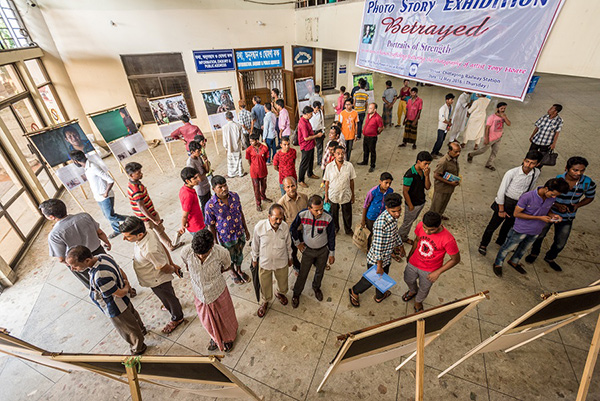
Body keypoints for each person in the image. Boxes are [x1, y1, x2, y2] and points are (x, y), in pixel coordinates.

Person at [67, 246, 147, 354]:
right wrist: (125, 282)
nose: (73, 269)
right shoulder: (102, 256)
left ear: (87, 260)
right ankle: (142, 330)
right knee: (133, 316)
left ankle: (138, 347)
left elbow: (119, 293)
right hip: (124, 300)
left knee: (128, 329)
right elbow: (119, 270)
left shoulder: (100, 276)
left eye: (74, 266)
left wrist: (126, 288)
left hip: (115, 306)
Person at [526, 157, 596, 271]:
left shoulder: (588, 183)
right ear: (567, 168)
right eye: (575, 170)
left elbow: (590, 197)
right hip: (550, 213)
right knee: (539, 235)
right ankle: (534, 253)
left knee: (560, 242)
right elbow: (546, 196)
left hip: (568, 217)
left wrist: (577, 205)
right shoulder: (557, 180)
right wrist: (557, 206)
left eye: (582, 170)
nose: (578, 173)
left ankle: (550, 258)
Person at [120, 217, 185, 334]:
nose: (124, 239)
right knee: (167, 294)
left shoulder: (149, 250)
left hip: (157, 280)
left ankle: (177, 317)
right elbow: (162, 247)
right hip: (153, 276)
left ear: (139, 235)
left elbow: (163, 267)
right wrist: (172, 263)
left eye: (128, 236)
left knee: (168, 297)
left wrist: (171, 267)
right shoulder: (148, 232)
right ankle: (170, 305)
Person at [493, 178, 570, 277]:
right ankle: (498, 264)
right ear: (546, 188)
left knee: (524, 249)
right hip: (521, 229)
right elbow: (516, 214)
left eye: (556, 195)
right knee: (508, 247)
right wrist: (539, 218)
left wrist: (553, 215)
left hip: (536, 230)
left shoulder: (551, 198)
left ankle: (514, 261)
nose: (554, 197)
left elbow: (547, 208)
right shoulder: (527, 197)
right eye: (553, 194)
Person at [181, 229, 238, 352]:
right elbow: (186, 264)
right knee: (207, 321)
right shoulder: (186, 252)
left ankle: (228, 338)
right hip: (199, 294)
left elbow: (227, 266)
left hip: (217, 291)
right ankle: (214, 337)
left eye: (205, 254)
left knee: (225, 317)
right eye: (198, 254)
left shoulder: (221, 253)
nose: (201, 257)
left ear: (212, 246)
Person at [478, 151, 543, 256]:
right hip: (505, 201)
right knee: (492, 226)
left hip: (519, 204)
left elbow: (531, 188)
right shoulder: (512, 173)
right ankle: (483, 244)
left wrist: (525, 204)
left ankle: (501, 241)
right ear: (523, 160)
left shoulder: (536, 173)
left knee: (508, 225)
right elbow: (501, 191)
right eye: (527, 161)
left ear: (537, 164)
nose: (528, 165)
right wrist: (501, 209)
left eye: (532, 163)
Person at [41, 198, 112, 288]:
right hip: (99, 252)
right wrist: (107, 242)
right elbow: (100, 233)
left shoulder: (54, 235)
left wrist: (73, 265)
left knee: (95, 284)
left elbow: (61, 259)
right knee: (110, 271)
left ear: (51, 217)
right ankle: (124, 288)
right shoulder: (84, 216)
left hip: (79, 262)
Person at [349, 193, 405, 307]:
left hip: (387, 257)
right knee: (370, 280)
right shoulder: (381, 224)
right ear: (387, 208)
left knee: (383, 277)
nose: (398, 214)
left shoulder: (393, 218)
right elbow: (378, 248)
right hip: (376, 260)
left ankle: (379, 296)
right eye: (394, 211)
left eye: (399, 210)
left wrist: (400, 245)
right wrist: (379, 265)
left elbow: (395, 233)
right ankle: (354, 291)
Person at [402, 211, 460, 312]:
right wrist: (410, 254)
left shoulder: (448, 240)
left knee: (424, 288)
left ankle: (418, 302)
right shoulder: (420, 225)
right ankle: (412, 291)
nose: (427, 232)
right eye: (425, 228)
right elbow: (416, 240)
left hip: (430, 270)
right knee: (408, 279)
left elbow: (455, 260)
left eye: (432, 230)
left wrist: (438, 272)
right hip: (414, 261)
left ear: (439, 225)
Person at [290, 195, 336, 308]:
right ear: (309, 208)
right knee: (303, 273)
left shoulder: (328, 218)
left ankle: (316, 287)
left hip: (322, 251)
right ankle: (296, 294)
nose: (320, 212)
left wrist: (331, 253)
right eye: (316, 210)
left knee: (320, 271)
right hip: (307, 250)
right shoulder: (302, 214)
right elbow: (293, 228)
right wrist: (297, 243)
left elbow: (331, 236)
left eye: (321, 208)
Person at [204, 175, 251, 285]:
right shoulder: (210, 206)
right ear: (213, 189)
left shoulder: (234, 196)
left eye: (225, 185)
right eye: (220, 187)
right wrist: (215, 243)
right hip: (226, 238)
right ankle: (233, 272)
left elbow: (240, 213)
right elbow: (211, 226)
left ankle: (239, 270)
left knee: (239, 253)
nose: (224, 189)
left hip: (239, 232)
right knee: (228, 257)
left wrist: (246, 229)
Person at [69, 150, 127, 238]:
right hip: (98, 197)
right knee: (107, 215)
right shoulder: (87, 167)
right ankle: (117, 229)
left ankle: (130, 219)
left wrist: (106, 193)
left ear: (76, 161)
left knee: (110, 216)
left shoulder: (93, 167)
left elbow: (110, 180)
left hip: (105, 197)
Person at [126, 162, 182, 251]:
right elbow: (141, 207)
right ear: (131, 175)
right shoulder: (136, 189)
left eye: (140, 171)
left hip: (151, 214)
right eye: (138, 173)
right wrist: (154, 220)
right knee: (150, 237)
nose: (141, 174)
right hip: (146, 219)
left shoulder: (135, 184)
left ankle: (170, 246)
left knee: (160, 231)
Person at [251, 204, 292, 318]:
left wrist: (290, 257)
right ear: (269, 216)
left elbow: (288, 244)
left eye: (281, 218)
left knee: (283, 281)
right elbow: (255, 244)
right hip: (265, 263)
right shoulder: (260, 227)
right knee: (265, 284)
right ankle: (265, 301)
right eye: (276, 218)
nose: (278, 221)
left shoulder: (284, 227)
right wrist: (254, 259)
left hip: (281, 261)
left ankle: (280, 293)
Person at [467, 102, 511, 171]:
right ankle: (471, 154)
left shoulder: (503, 117)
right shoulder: (492, 117)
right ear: (497, 109)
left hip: (498, 138)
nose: (503, 110)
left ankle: (489, 164)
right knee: (482, 150)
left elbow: (509, 124)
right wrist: (486, 138)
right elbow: (487, 128)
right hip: (490, 138)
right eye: (501, 108)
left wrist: (505, 117)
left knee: (494, 152)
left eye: (504, 108)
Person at [400, 151, 432, 243]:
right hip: (412, 203)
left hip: (420, 201)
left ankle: (403, 236)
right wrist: (410, 205)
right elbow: (405, 192)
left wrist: (427, 176)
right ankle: (400, 237)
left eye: (428, 164)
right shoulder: (409, 174)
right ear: (418, 161)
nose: (427, 166)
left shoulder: (423, 172)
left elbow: (427, 187)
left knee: (411, 221)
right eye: (425, 163)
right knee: (407, 223)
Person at [278, 176, 308, 275]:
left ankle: (314, 262)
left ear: (296, 185)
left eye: (293, 186)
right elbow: (281, 224)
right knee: (293, 252)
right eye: (288, 187)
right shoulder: (281, 204)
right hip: (291, 233)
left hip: (305, 230)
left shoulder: (304, 197)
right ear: (284, 188)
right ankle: (297, 267)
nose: (291, 189)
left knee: (309, 248)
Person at [324, 146, 357, 235]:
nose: (340, 156)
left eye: (342, 153)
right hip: (333, 195)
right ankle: (335, 228)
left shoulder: (349, 166)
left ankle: (348, 229)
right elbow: (326, 183)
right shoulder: (329, 167)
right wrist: (326, 196)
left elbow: (351, 181)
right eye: (338, 153)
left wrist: (353, 195)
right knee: (334, 214)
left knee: (347, 214)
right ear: (334, 154)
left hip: (346, 194)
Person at [361, 172, 394, 248]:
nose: (388, 185)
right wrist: (363, 220)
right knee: (369, 234)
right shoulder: (373, 191)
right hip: (371, 217)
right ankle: (368, 248)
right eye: (386, 183)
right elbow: (365, 205)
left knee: (380, 234)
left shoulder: (390, 191)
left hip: (382, 217)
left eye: (390, 183)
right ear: (380, 181)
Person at [430, 142, 461, 219]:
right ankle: (432, 220)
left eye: (459, 151)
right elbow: (436, 175)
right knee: (436, 206)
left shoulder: (454, 159)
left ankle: (439, 215)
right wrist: (450, 183)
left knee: (443, 204)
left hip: (449, 188)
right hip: (441, 188)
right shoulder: (443, 162)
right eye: (456, 152)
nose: (458, 154)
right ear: (449, 150)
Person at [297, 105, 322, 188]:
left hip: (310, 145)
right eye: (311, 114)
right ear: (307, 114)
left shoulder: (307, 120)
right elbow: (306, 138)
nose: (312, 115)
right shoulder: (303, 123)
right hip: (305, 146)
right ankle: (300, 180)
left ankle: (310, 173)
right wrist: (317, 136)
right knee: (304, 163)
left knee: (311, 160)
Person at [246, 133, 272, 211]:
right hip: (254, 172)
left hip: (263, 170)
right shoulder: (249, 150)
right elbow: (249, 160)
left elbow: (266, 158)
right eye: (250, 142)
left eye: (252, 141)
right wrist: (254, 166)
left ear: (257, 140)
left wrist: (261, 164)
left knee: (264, 186)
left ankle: (263, 196)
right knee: (256, 188)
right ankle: (258, 204)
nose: (251, 143)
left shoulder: (264, 148)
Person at [179, 167, 206, 236]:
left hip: (197, 222)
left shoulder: (183, 189)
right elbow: (185, 215)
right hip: (197, 226)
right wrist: (183, 226)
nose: (198, 179)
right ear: (187, 181)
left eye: (197, 177)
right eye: (195, 178)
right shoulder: (188, 195)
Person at [357, 102, 384, 172]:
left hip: (372, 137)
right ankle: (365, 161)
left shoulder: (378, 118)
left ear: (375, 110)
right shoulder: (368, 115)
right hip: (366, 136)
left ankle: (372, 165)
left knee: (372, 151)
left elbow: (381, 127)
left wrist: (377, 133)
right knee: (365, 149)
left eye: (370, 108)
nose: (368, 109)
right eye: (369, 108)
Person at [186, 141, 212, 212]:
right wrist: (202, 175)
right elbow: (199, 179)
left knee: (210, 203)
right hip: (200, 188)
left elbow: (206, 171)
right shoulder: (190, 163)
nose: (200, 152)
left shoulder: (199, 157)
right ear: (192, 152)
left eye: (200, 150)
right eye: (198, 151)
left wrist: (206, 161)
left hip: (206, 184)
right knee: (205, 206)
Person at [222, 111, 245, 178]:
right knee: (239, 159)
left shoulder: (224, 127)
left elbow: (224, 139)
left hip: (229, 146)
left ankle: (231, 174)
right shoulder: (238, 125)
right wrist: (243, 145)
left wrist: (226, 147)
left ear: (226, 118)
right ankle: (240, 173)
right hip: (237, 145)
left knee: (231, 160)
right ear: (233, 117)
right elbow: (242, 137)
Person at [431, 93, 455, 157]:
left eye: (452, 100)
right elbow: (442, 119)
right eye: (451, 99)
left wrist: (448, 126)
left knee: (442, 140)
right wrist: (448, 123)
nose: (452, 101)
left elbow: (450, 116)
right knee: (439, 140)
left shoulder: (451, 107)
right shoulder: (442, 108)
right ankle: (433, 152)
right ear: (447, 100)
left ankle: (437, 152)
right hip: (441, 127)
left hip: (446, 127)